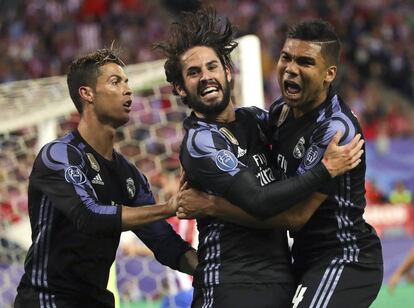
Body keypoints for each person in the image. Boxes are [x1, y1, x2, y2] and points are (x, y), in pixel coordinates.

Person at [155, 8, 363, 308]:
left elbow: (301, 128)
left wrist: (341, 120)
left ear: (228, 72)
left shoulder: (256, 121)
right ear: (180, 88)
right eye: (193, 72)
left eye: (212, 66)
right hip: (230, 283)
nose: (205, 77)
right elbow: (259, 201)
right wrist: (325, 169)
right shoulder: (201, 141)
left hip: (281, 281)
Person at [14, 48, 198, 308]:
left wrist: (208, 270)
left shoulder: (129, 175)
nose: (128, 90)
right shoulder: (59, 155)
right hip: (48, 300)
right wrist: (169, 206)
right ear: (87, 94)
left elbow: (163, 241)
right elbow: (89, 216)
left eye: (126, 82)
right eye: (115, 82)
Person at [267, 20, 383, 307]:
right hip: (304, 256)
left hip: (343, 256)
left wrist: (214, 207)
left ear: (329, 73)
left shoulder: (335, 130)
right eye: (286, 58)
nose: (291, 69)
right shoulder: (280, 113)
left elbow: (295, 216)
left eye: (305, 62)